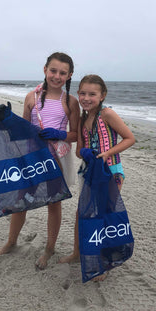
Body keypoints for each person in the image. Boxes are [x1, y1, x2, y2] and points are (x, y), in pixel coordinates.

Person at [0, 52, 80, 269]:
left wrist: (59, 134)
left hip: (54, 159)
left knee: (54, 203)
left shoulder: (70, 101)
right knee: (21, 201)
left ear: (69, 76)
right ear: (45, 70)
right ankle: (11, 242)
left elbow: (75, 134)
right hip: (31, 157)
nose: (57, 76)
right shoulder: (31, 97)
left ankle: (49, 249)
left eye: (62, 73)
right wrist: (6, 119)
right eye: (53, 71)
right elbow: (23, 129)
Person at [59, 74, 135, 281]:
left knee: (103, 216)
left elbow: (130, 138)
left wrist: (108, 152)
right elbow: (78, 151)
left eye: (92, 94)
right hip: (89, 171)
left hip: (110, 172)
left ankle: (105, 262)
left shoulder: (107, 114)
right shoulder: (83, 118)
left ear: (102, 96)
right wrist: (83, 153)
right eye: (82, 93)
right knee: (81, 214)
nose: (86, 98)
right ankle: (77, 253)